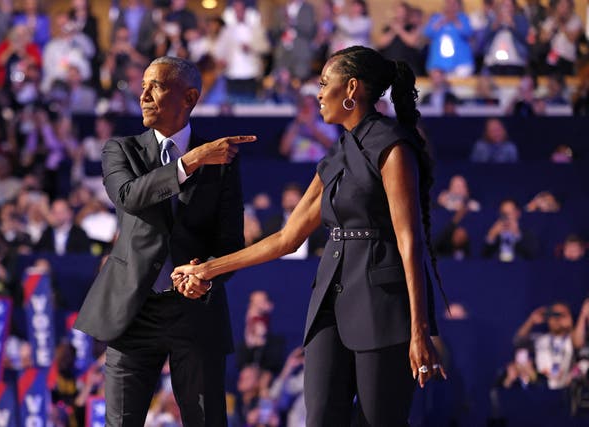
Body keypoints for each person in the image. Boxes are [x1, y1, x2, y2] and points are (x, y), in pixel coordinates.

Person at [173, 46, 446, 425]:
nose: (316, 94)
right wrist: (209, 269)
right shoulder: (336, 154)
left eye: (323, 84)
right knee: (318, 417)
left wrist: (420, 328)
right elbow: (287, 237)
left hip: (383, 304)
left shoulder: (392, 146)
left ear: (351, 88)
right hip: (329, 302)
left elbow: (409, 240)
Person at [73, 56, 256, 426]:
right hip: (132, 311)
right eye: (142, 86)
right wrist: (190, 162)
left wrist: (206, 277)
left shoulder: (223, 160)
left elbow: (230, 241)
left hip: (195, 309)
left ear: (188, 97)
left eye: (155, 86)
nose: (143, 95)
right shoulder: (120, 149)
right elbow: (128, 195)